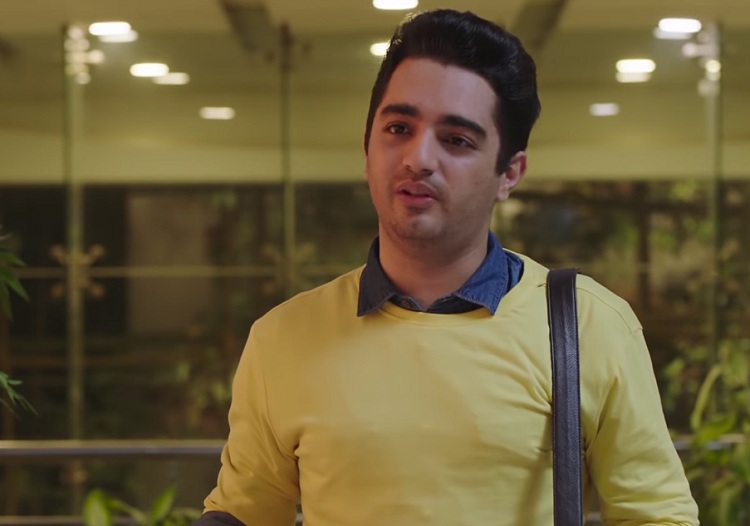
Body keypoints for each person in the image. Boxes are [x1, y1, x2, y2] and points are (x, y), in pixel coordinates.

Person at [194, 9, 699, 526]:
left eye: (457, 139)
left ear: (510, 173)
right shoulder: (284, 338)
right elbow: (243, 513)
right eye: (398, 128)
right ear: (366, 150)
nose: (418, 158)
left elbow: (656, 515)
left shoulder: (586, 326)